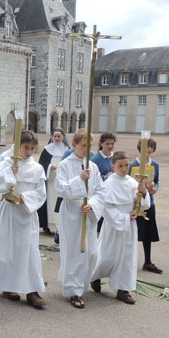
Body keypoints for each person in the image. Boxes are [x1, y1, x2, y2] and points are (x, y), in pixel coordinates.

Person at [0, 130, 47, 308]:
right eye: (26, 147)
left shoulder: (37, 168)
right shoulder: (6, 162)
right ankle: (8, 285)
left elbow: (41, 193)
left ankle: (32, 290)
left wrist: (24, 198)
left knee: (30, 251)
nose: (29, 152)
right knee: (9, 249)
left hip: (26, 212)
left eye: (32, 148)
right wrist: (8, 173)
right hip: (9, 212)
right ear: (17, 145)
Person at [91, 151, 150, 304]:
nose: (124, 169)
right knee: (107, 256)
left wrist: (143, 193)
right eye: (120, 166)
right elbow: (106, 207)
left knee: (127, 258)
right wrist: (123, 218)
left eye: (126, 165)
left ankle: (123, 289)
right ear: (113, 166)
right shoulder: (108, 184)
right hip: (113, 225)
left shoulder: (133, 183)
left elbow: (144, 205)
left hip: (129, 225)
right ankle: (95, 276)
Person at [56, 129, 105, 309]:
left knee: (91, 253)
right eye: (84, 146)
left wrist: (91, 204)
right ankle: (73, 290)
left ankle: (81, 282)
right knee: (74, 252)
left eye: (89, 146)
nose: (87, 149)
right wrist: (79, 179)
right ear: (74, 145)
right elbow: (60, 189)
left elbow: (100, 191)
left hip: (87, 213)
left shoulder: (93, 166)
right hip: (72, 213)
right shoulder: (65, 165)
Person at [129, 138, 162, 273]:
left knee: (147, 233)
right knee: (133, 233)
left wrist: (154, 188)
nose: (148, 149)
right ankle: (129, 261)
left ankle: (147, 261)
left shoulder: (155, 165)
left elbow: (157, 181)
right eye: (146, 146)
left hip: (149, 202)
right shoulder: (133, 165)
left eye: (151, 147)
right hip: (135, 202)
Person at [38, 128, 70, 240]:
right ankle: (47, 224)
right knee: (50, 202)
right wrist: (49, 167)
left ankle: (60, 225)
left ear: (63, 137)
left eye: (59, 136)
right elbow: (41, 165)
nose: (56, 138)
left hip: (62, 181)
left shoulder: (67, 150)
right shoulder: (47, 150)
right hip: (51, 180)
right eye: (55, 136)